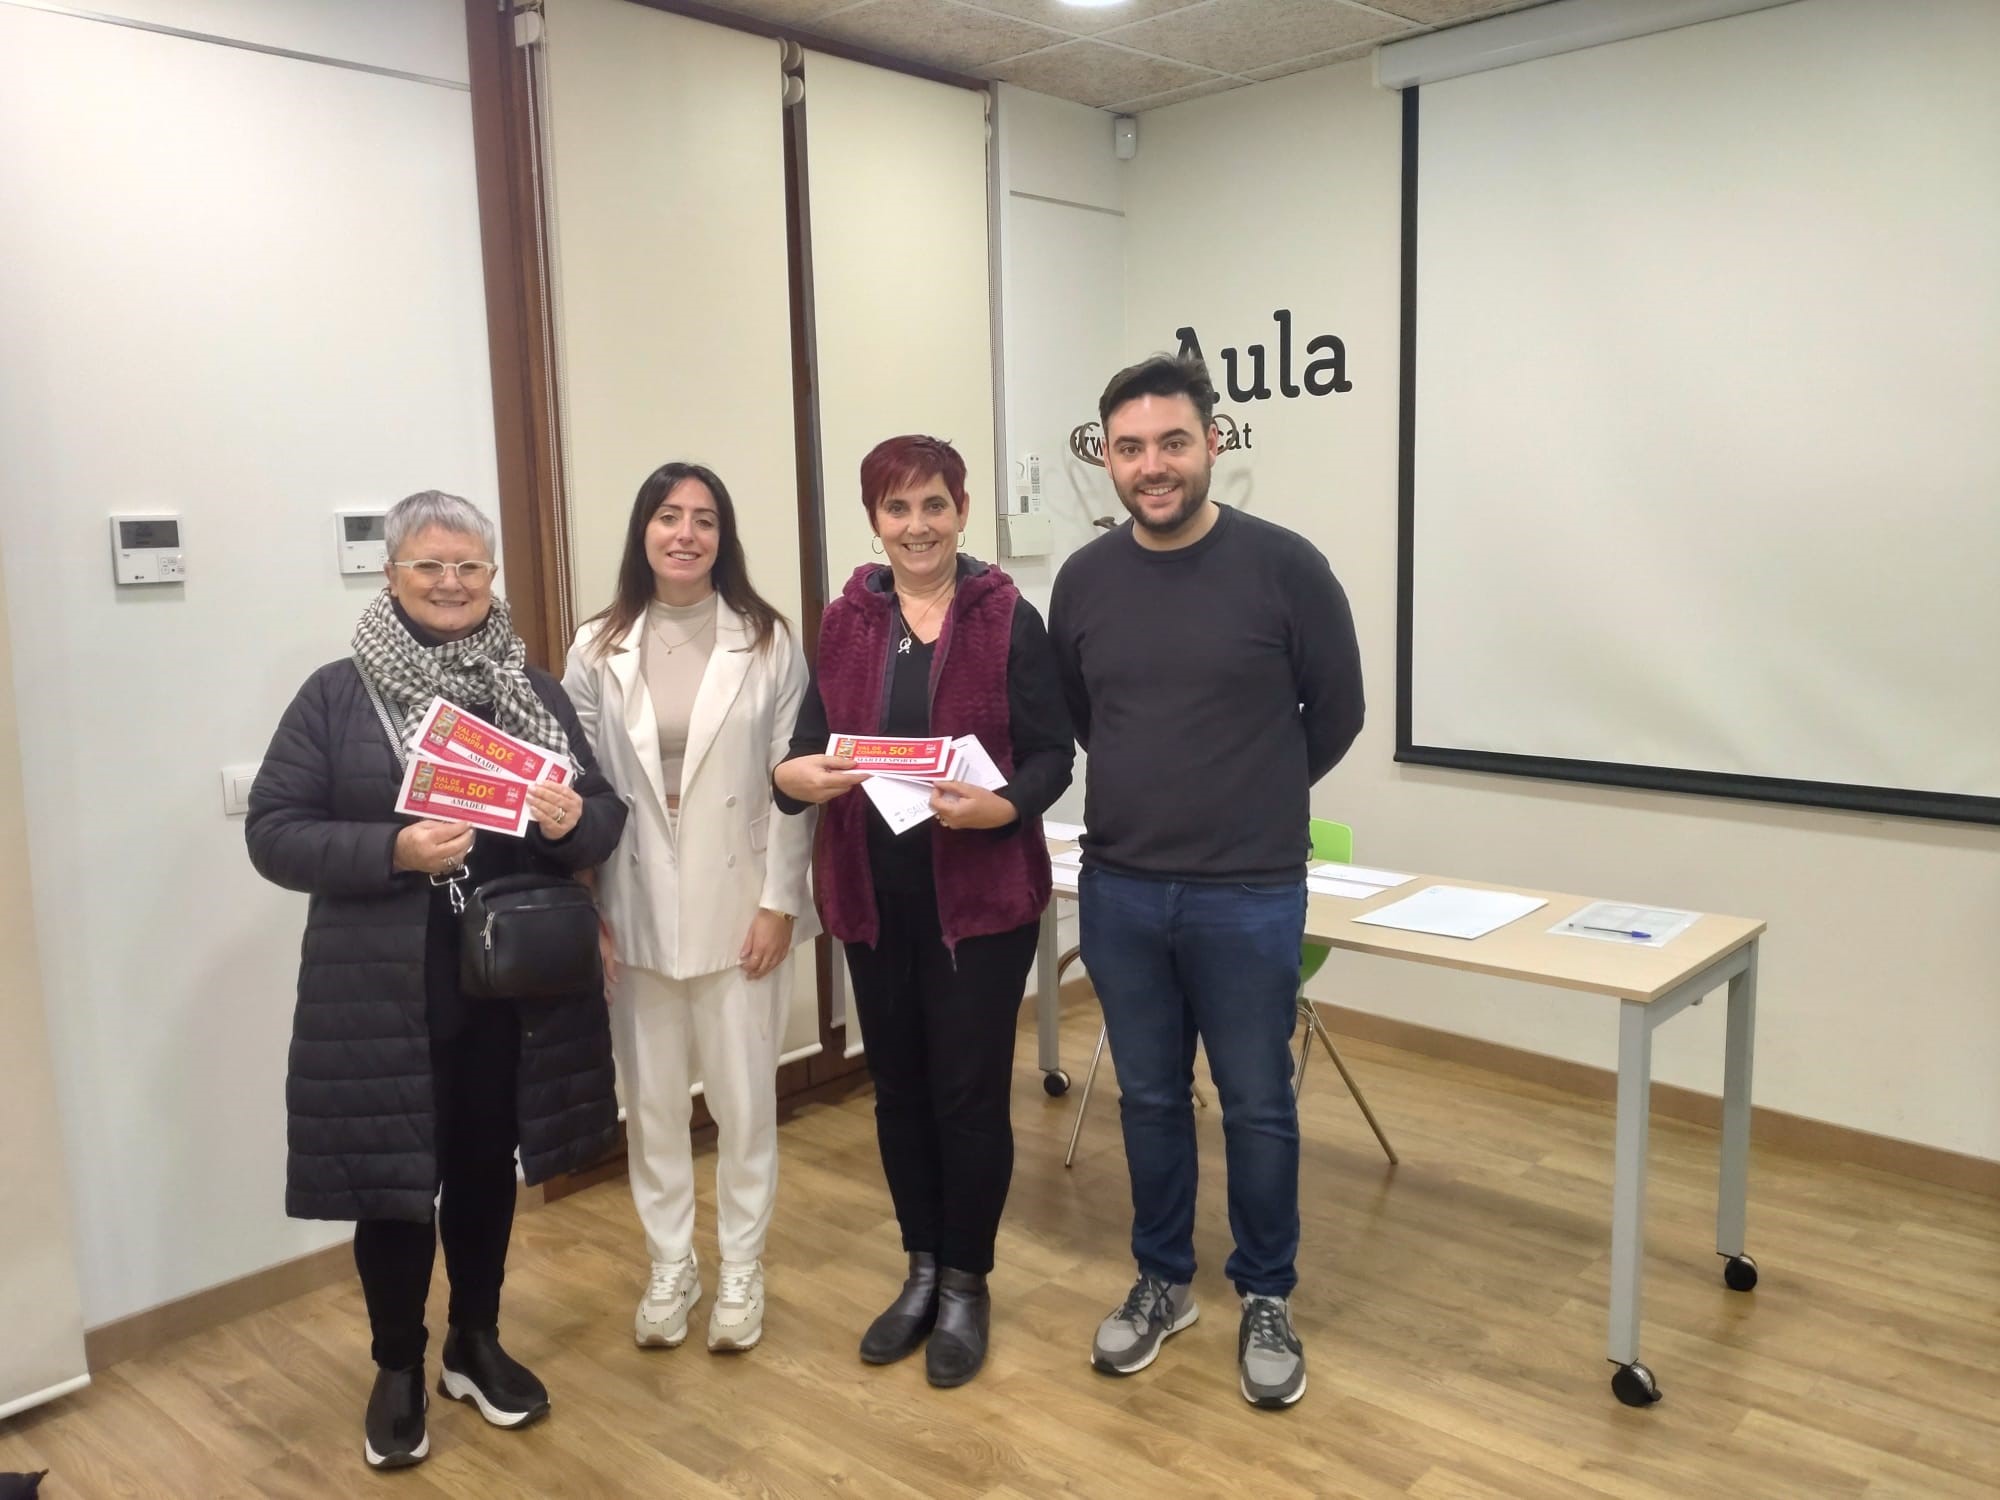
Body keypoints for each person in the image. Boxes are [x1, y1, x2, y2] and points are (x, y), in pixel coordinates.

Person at [246, 490, 625, 1470]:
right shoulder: (337, 696)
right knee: (395, 1186)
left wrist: (565, 824)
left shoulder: (529, 690)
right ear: (392, 574)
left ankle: (475, 1340)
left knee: (485, 1167)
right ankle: (397, 1367)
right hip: (382, 991)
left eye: (470, 567)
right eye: (430, 565)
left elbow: (600, 815)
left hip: (512, 983)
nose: (452, 583)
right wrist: (394, 850)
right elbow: (274, 831)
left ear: (490, 579)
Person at [1048, 356, 1365, 1410]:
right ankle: (1162, 1280)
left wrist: (1250, 795)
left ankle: (1265, 1294)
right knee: (1146, 1099)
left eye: (1171, 442)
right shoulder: (1084, 582)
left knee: (1257, 1103)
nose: (1151, 466)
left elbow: (1337, 714)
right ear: (1108, 459)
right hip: (1124, 888)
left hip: (1247, 892)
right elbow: (1088, 720)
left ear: (1210, 442)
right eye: (1129, 448)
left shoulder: (1284, 567)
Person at [773, 434, 1073, 1388]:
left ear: (962, 510)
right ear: (875, 521)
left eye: (934, 505)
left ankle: (969, 1283)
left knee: (969, 1096)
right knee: (898, 1090)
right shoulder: (847, 619)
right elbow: (807, 745)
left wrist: (1005, 806)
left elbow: (1052, 755)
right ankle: (921, 1268)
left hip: (978, 903)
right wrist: (793, 776)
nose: (917, 527)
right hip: (871, 896)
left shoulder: (1005, 615)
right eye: (898, 509)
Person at [562, 462, 816, 1355]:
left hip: (741, 903)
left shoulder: (768, 639)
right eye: (668, 517)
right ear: (643, 531)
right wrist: (588, 911)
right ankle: (672, 1262)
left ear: (724, 537)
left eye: (704, 520)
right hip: (633, 911)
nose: (685, 534)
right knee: (656, 1107)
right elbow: (584, 791)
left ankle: (742, 1264)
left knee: (747, 1107)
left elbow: (795, 786)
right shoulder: (596, 646)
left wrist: (782, 902)